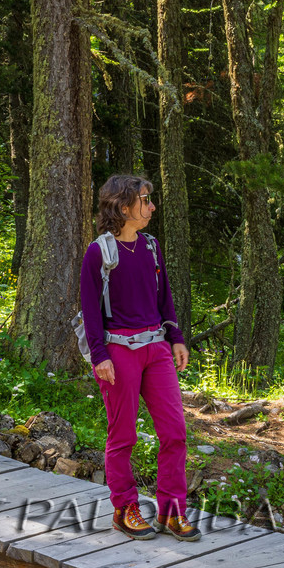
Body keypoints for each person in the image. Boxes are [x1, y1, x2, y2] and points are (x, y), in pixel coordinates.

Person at [81, 174, 199, 542]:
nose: (151, 206)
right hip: (117, 352)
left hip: (157, 348)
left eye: (150, 199)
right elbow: (89, 310)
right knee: (123, 435)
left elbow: (164, 297)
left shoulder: (151, 246)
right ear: (123, 206)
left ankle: (171, 510)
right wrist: (100, 356)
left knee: (175, 432)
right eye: (144, 200)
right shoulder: (99, 252)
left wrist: (175, 337)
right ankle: (124, 508)